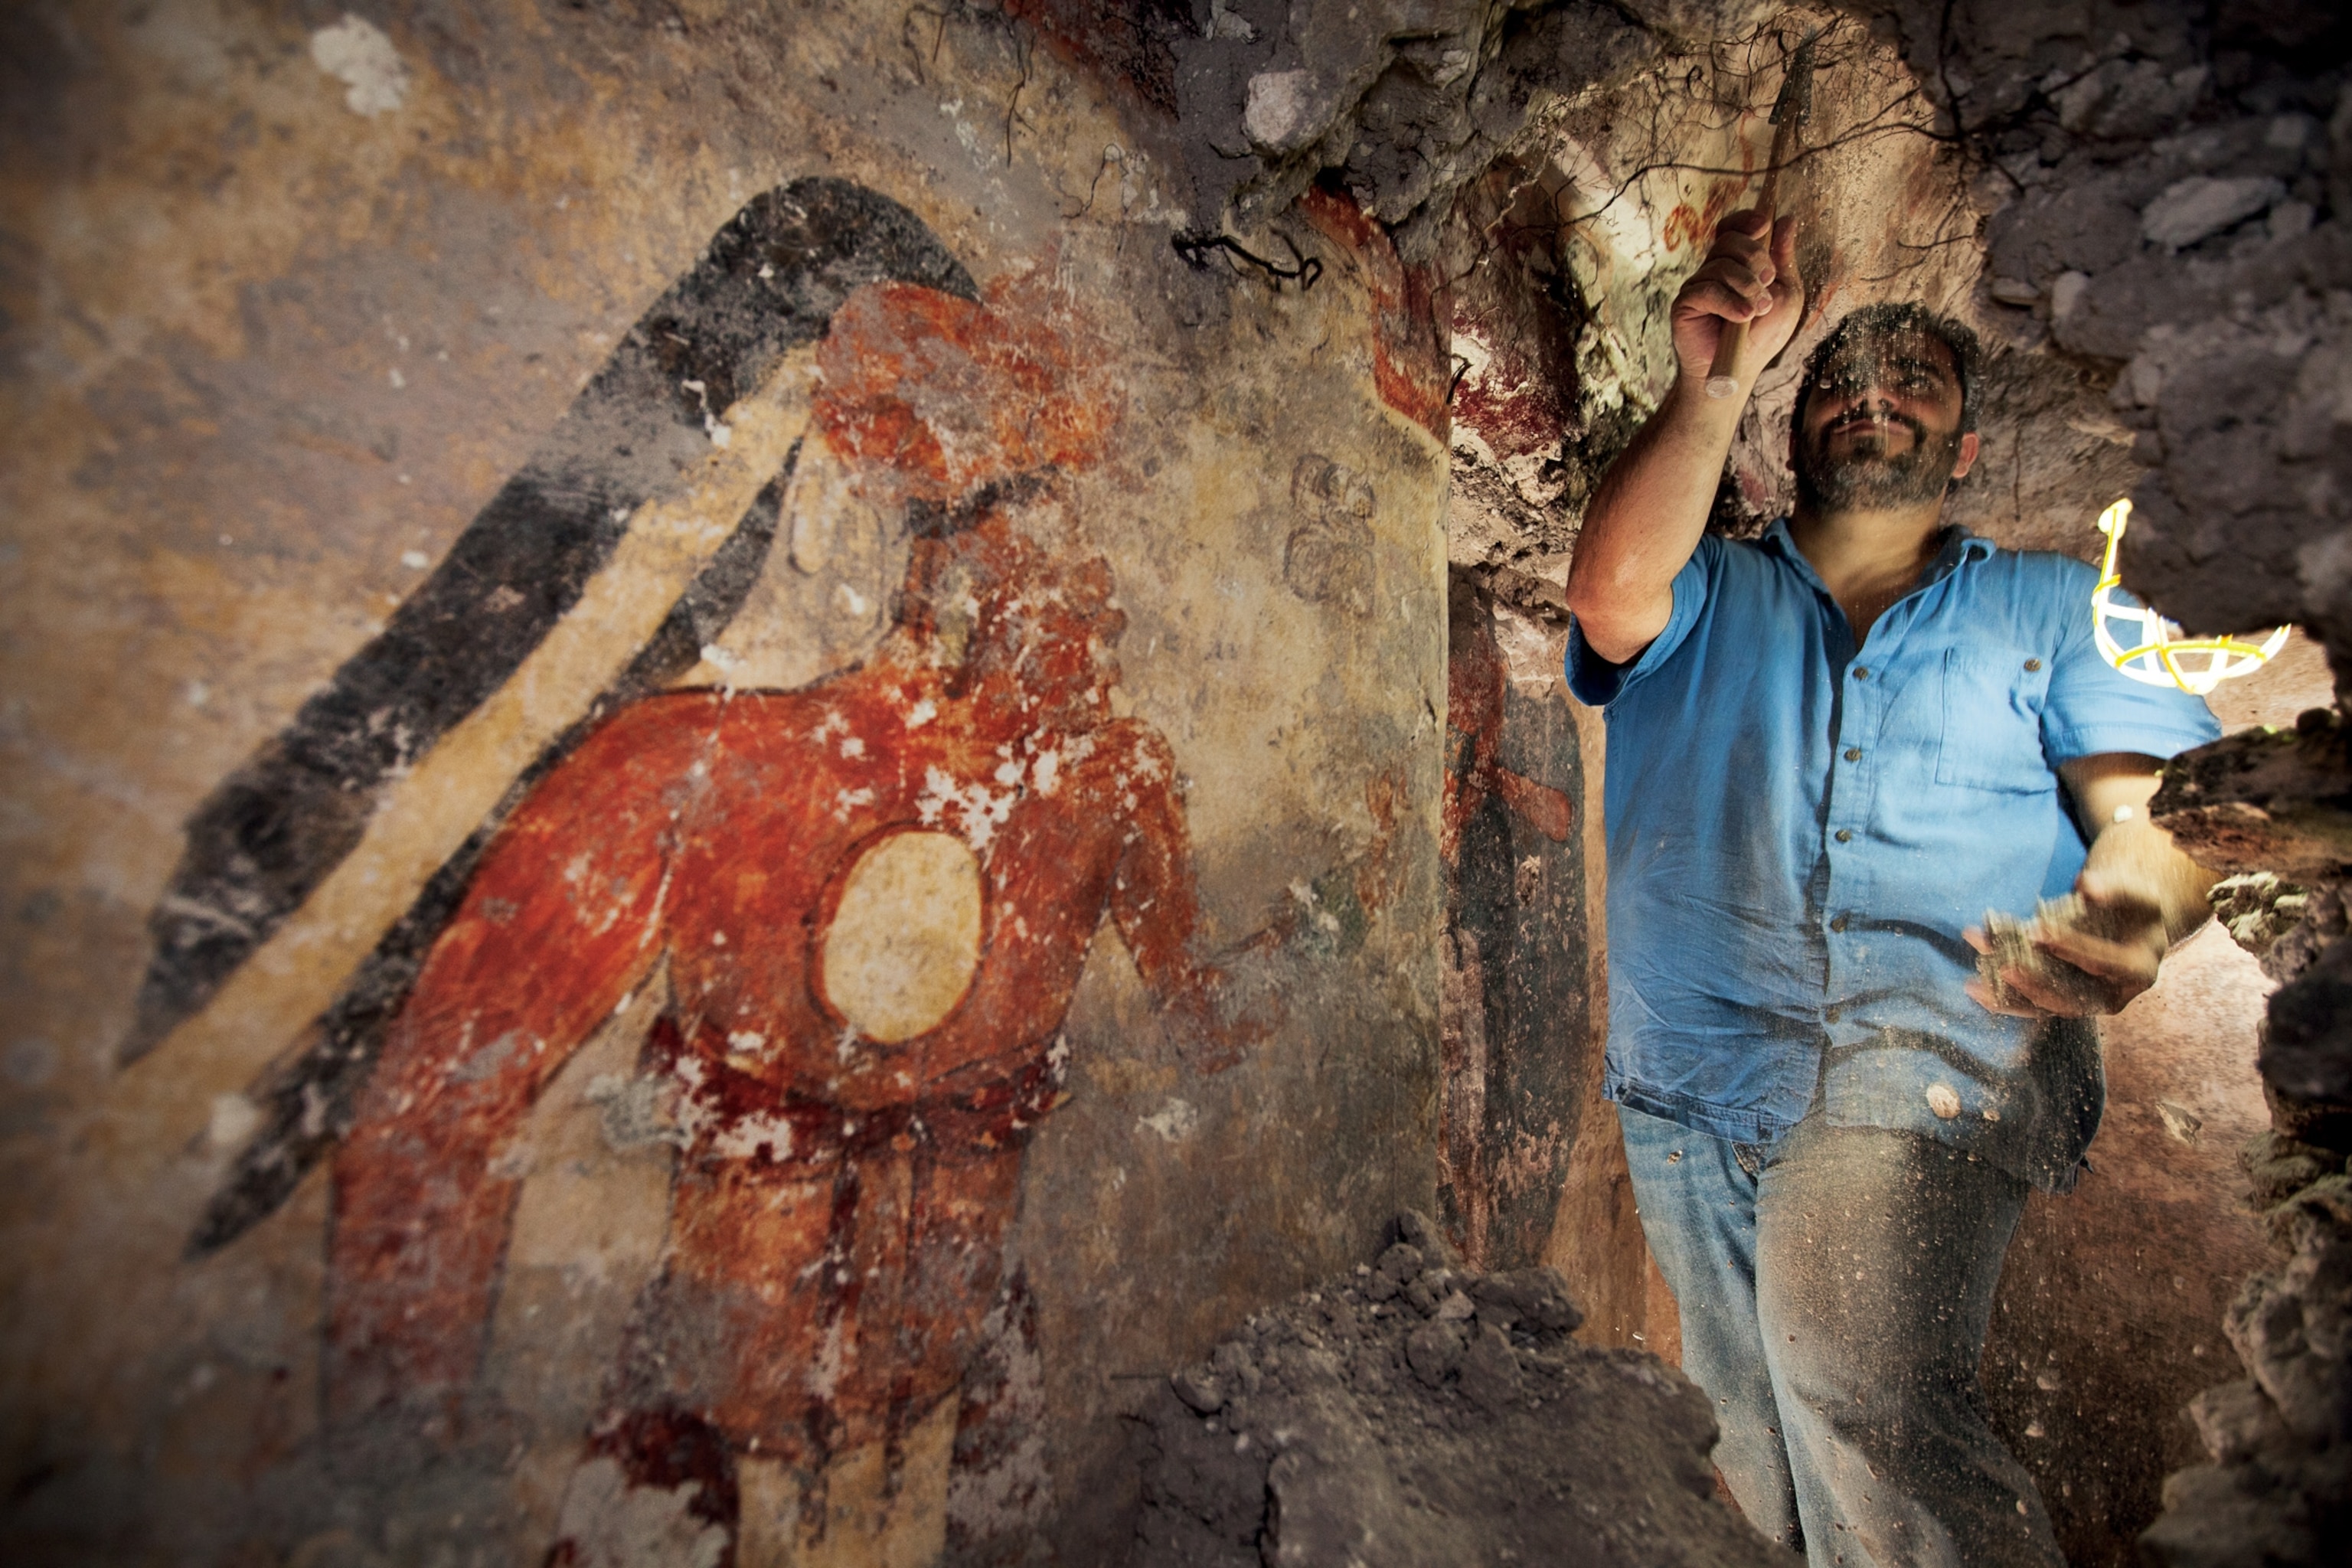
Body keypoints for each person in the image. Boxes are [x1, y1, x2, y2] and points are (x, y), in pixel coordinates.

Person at [1561, 209, 2222, 1566]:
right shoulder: (1707, 588)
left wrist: (2132, 915)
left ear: (1964, 449)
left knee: (1869, 1416)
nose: (1875, 399)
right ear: (1795, 437)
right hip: (1692, 1068)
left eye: (1915, 384)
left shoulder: (2058, 605)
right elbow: (1609, 590)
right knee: (1745, 1455)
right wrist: (1716, 377)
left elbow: (2153, 815)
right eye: (1844, 386)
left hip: (1929, 1055)